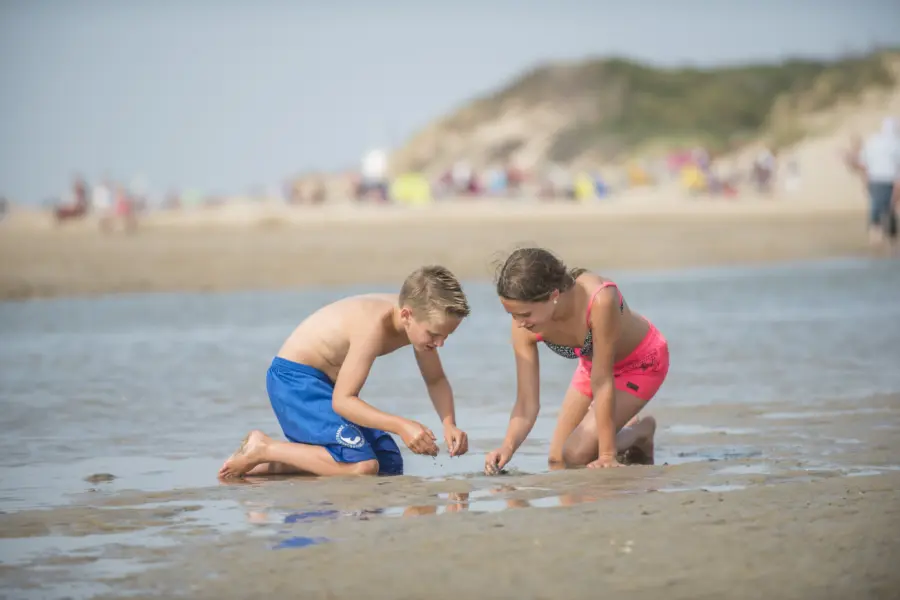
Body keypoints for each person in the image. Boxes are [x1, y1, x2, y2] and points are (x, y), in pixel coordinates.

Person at [219, 265, 471, 479]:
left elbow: (435, 379)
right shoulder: (373, 325)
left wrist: (449, 424)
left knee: (388, 463)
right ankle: (265, 448)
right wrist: (402, 426)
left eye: (446, 336)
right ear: (406, 315)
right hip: (294, 382)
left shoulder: (419, 319)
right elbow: (343, 401)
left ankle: (263, 467)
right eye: (435, 335)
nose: (440, 344)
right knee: (363, 467)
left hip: (325, 387)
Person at [484, 248, 669, 474]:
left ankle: (641, 431)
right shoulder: (523, 325)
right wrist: (507, 446)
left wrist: (607, 455)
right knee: (557, 460)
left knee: (577, 454)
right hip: (591, 366)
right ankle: (620, 428)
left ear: (553, 296)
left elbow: (602, 381)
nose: (519, 323)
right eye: (512, 315)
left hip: (641, 363)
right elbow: (526, 402)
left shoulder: (600, 299)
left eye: (524, 314)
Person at [857, 118, 900, 249]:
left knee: (875, 210)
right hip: (891, 180)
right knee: (891, 209)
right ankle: (892, 244)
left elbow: (863, 163)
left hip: (875, 180)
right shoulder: (896, 143)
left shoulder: (872, 141)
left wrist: (865, 181)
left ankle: (876, 243)